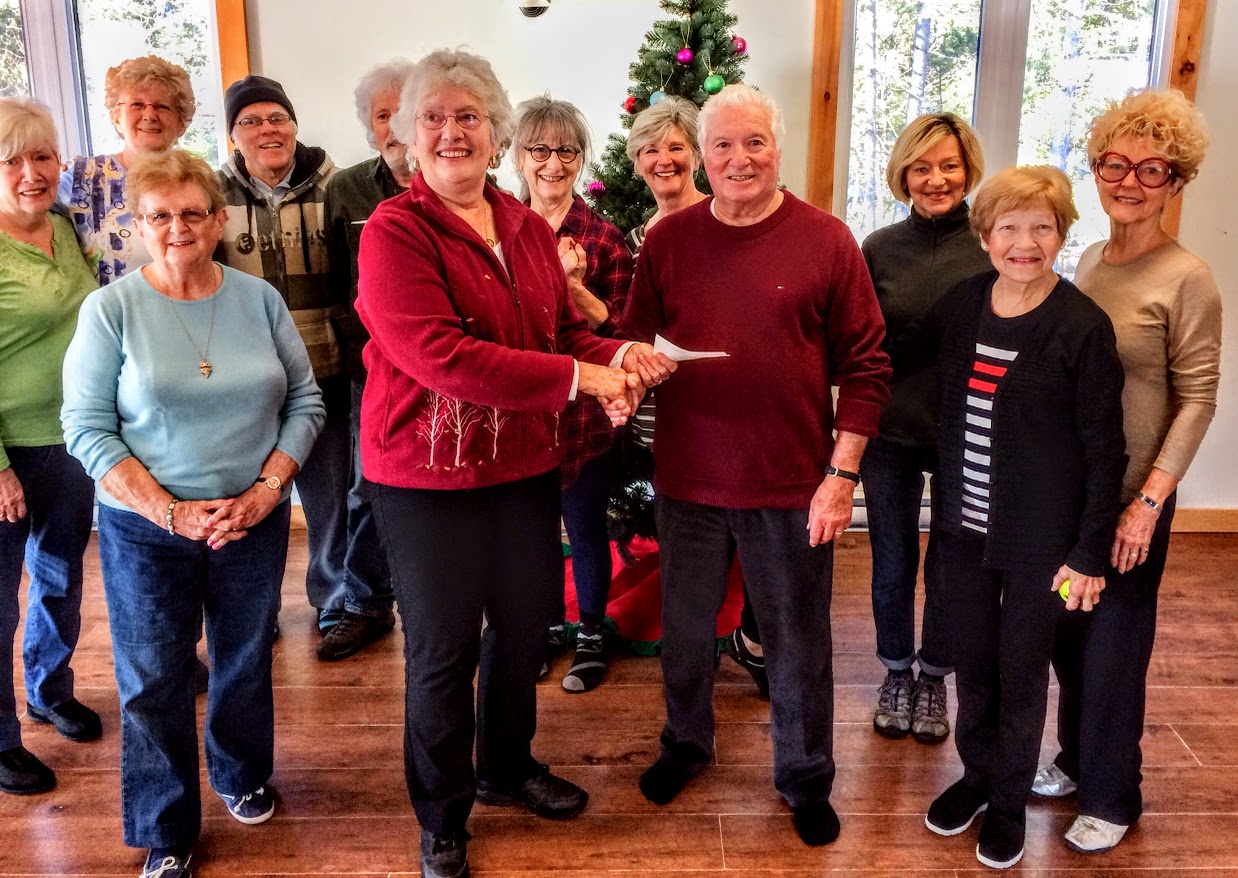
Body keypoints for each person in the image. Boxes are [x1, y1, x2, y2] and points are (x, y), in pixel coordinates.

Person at [355, 49, 662, 878]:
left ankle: (506, 767)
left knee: (524, 630)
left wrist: (622, 356)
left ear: (494, 133)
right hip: (426, 478)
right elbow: (440, 356)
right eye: (434, 118)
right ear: (408, 135)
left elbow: (561, 337)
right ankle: (443, 814)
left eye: (468, 116)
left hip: (526, 465)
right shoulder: (394, 233)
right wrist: (581, 378)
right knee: (445, 650)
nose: (452, 131)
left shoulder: (526, 227)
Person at [622, 83, 892, 848]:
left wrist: (841, 477)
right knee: (684, 628)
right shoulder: (669, 242)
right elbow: (634, 340)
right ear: (702, 157)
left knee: (797, 636)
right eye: (722, 146)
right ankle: (686, 742)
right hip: (688, 479)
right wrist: (628, 372)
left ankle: (805, 775)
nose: (739, 159)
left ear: (778, 148)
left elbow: (868, 368)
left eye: (755, 143)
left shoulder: (827, 240)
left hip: (791, 483)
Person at [61, 149, 325, 878]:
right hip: (145, 528)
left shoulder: (258, 300)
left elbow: (305, 402)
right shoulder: (110, 309)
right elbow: (85, 426)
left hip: (253, 517)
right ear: (139, 226)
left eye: (191, 213)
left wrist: (267, 492)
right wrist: (168, 513)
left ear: (218, 221)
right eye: (159, 216)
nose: (177, 228)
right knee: (153, 675)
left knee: (243, 659)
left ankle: (240, 774)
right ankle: (166, 824)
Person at [919, 166, 1127, 870]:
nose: (1024, 241)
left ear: (1063, 236)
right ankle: (976, 776)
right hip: (962, 528)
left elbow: (1107, 452)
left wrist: (1090, 552)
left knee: (1021, 667)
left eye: (1042, 226)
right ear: (985, 237)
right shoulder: (963, 305)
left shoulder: (1081, 328)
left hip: (1043, 541)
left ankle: (1009, 800)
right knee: (971, 659)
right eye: (1008, 226)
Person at [1033, 89, 1221, 855]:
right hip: (1077, 492)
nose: (1130, 180)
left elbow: (1198, 398)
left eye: (1153, 168)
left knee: (1115, 644)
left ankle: (1114, 794)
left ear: (1178, 182)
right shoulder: (1088, 260)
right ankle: (1077, 761)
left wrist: (1148, 501)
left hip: (1134, 496)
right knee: (1070, 636)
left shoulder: (1188, 278)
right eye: (1116, 163)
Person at [860, 113, 990, 744]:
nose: (936, 179)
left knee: (952, 562)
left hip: (969, 432)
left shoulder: (993, 244)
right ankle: (894, 668)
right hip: (891, 428)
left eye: (949, 166)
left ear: (968, 170)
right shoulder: (879, 247)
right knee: (891, 557)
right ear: (903, 174)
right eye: (921, 167)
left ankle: (935, 674)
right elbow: (858, 344)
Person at [215, 75, 350, 639]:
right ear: (232, 137)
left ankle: (334, 600)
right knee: (254, 505)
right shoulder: (211, 195)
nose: (267, 129)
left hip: (326, 372)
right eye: (250, 121)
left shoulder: (337, 186)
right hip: (246, 381)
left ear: (294, 125)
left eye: (277, 117)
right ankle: (255, 610)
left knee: (330, 503)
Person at [512, 94, 634, 692]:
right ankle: (540, 627)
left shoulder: (605, 238)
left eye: (565, 150)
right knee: (529, 533)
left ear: (580, 159)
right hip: (520, 413)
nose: (552, 163)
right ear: (519, 156)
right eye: (539, 149)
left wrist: (573, 288)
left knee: (586, 527)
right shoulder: (500, 229)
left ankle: (591, 629)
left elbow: (620, 334)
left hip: (586, 415)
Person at [0, 97, 101, 796]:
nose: (32, 173)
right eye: (12, 160)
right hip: (8, 452)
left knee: (62, 577)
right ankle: (1, 740)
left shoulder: (66, 228)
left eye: (43, 157)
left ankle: (49, 689)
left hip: (70, 441)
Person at [319, 60, 414, 662]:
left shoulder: (464, 183)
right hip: (371, 370)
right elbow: (336, 280)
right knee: (366, 487)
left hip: (447, 368)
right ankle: (367, 604)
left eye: (408, 112)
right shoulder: (346, 190)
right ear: (370, 126)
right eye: (385, 116)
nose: (398, 126)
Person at [59, 55, 195, 285]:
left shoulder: (196, 181)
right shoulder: (82, 178)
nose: (149, 115)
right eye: (137, 104)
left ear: (182, 123)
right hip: (109, 316)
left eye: (162, 106)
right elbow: (19, 216)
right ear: (116, 117)